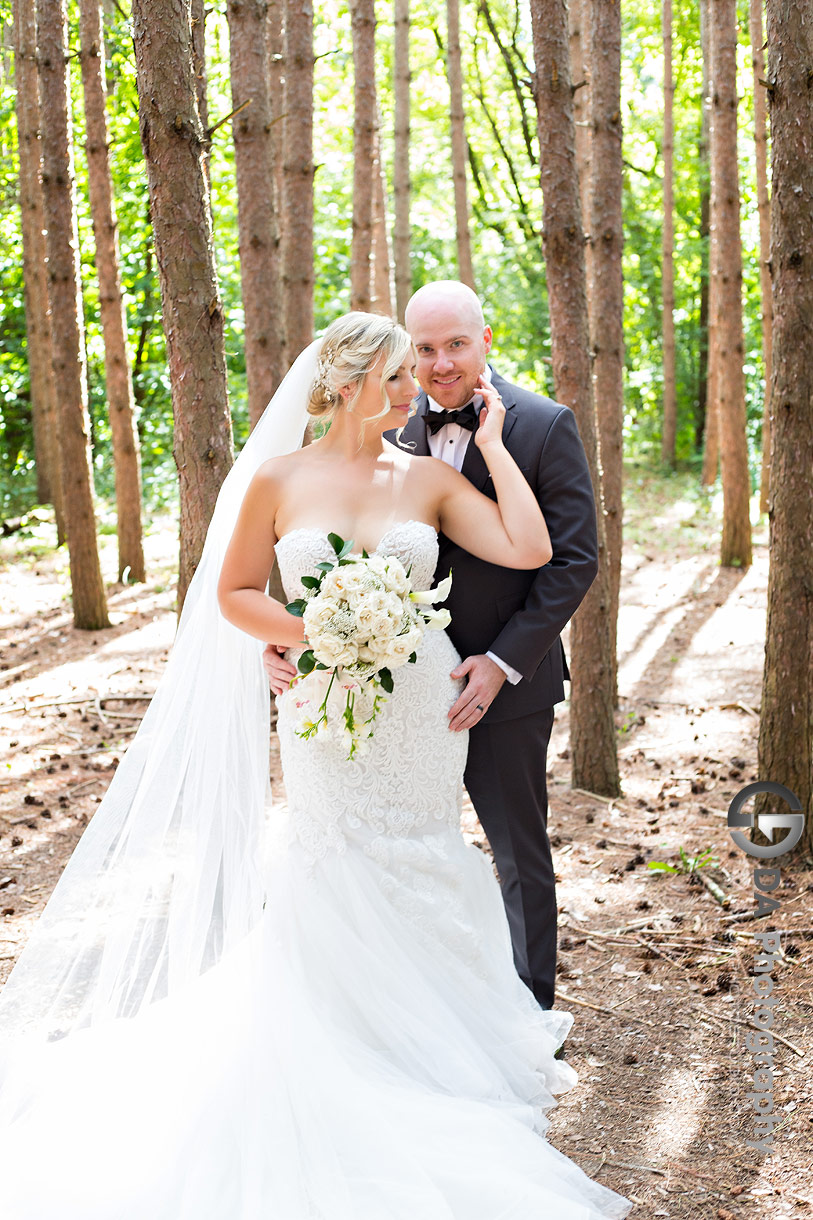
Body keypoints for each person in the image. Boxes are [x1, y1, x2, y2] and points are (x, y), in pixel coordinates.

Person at [0, 313, 628, 1219]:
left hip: (418, 708)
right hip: (321, 706)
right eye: (400, 379)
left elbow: (530, 551)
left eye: (419, 377)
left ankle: (431, 1043)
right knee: (332, 855)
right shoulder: (278, 477)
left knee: (420, 851)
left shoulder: (424, 476)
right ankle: (334, 1042)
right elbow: (233, 593)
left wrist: (490, 445)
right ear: (349, 383)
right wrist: (319, 633)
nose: (415, 392)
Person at [267, 284, 599, 1012]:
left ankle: (523, 1014)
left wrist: (505, 661)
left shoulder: (542, 426)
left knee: (514, 853)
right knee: (375, 854)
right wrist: (292, 636)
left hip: (503, 678)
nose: (438, 364)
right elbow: (322, 546)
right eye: (423, 350)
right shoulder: (389, 413)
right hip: (385, 690)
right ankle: (389, 1012)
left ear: (486, 338)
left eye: (454, 345)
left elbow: (569, 560)